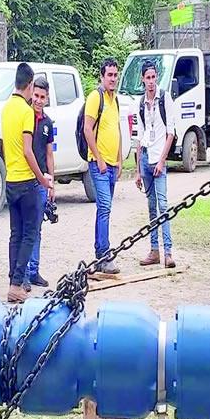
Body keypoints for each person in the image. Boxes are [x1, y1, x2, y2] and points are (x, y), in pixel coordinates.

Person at [2, 64, 55, 302]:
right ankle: (17, 283)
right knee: (30, 233)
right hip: (26, 180)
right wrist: (42, 179)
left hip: (10, 179)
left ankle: (13, 279)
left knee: (15, 233)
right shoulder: (25, 111)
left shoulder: (6, 109)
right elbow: (27, 150)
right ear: (30, 84)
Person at [134, 59, 176, 268]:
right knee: (151, 206)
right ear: (143, 79)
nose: (151, 81)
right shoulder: (141, 103)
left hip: (159, 158)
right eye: (147, 78)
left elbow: (171, 133)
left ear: (156, 77)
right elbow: (139, 138)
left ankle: (168, 251)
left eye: (153, 77)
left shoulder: (165, 98)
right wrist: (138, 171)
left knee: (163, 205)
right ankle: (154, 250)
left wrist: (162, 161)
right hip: (146, 158)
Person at [83, 58, 123, 273]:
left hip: (111, 164)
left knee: (105, 209)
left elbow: (117, 129)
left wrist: (119, 160)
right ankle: (104, 255)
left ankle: (101, 252)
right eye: (110, 75)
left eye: (115, 75)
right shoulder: (95, 97)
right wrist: (98, 158)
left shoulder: (114, 99)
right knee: (105, 207)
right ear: (102, 76)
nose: (113, 79)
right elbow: (87, 129)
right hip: (98, 164)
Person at [26, 75, 56, 290]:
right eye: (35, 95)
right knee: (25, 229)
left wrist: (51, 181)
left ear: (47, 98)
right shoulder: (25, 117)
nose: (38, 100)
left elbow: (49, 154)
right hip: (25, 179)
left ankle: (34, 270)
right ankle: (23, 273)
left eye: (42, 97)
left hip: (41, 182)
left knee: (37, 227)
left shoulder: (47, 123)